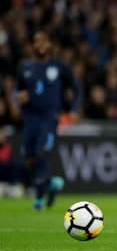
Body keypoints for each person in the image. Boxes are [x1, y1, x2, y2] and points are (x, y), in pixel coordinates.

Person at [15, 31, 81, 211]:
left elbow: (76, 88)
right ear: (33, 45)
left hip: (49, 118)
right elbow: (17, 91)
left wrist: (73, 110)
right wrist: (18, 98)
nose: (41, 45)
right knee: (29, 160)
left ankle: (38, 200)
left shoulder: (59, 67)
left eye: (44, 41)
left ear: (50, 44)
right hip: (30, 119)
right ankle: (50, 183)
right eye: (37, 41)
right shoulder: (25, 68)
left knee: (42, 154)